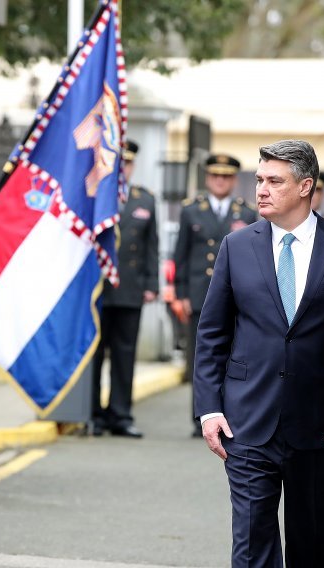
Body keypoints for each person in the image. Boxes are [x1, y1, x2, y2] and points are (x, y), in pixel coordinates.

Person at [195, 139, 324, 568]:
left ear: (306, 187)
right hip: (246, 422)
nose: (260, 189)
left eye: (274, 181)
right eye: (259, 179)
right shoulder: (236, 246)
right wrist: (208, 409)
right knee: (250, 541)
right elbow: (211, 335)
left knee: (313, 540)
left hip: (322, 425)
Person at [173, 153, 257, 437]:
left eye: (226, 176)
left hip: (236, 295)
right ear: (208, 178)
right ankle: (201, 416)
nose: (220, 181)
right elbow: (180, 255)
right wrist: (180, 293)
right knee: (201, 356)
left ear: (234, 180)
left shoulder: (246, 212)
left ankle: (229, 414)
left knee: (233, 355)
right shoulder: (190, 210)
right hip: (199, 294)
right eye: (215, 176)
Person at [91, 140, 159, 438]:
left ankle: (120, 414)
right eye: (119, 163)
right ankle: (94, 413)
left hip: (130, 288)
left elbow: (151, 247)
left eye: (128, 164)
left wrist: (152, 284)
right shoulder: (93, 194)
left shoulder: (145, 199)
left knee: (124, 354)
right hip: (98, 289)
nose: (124, 169)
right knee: (95, 353)